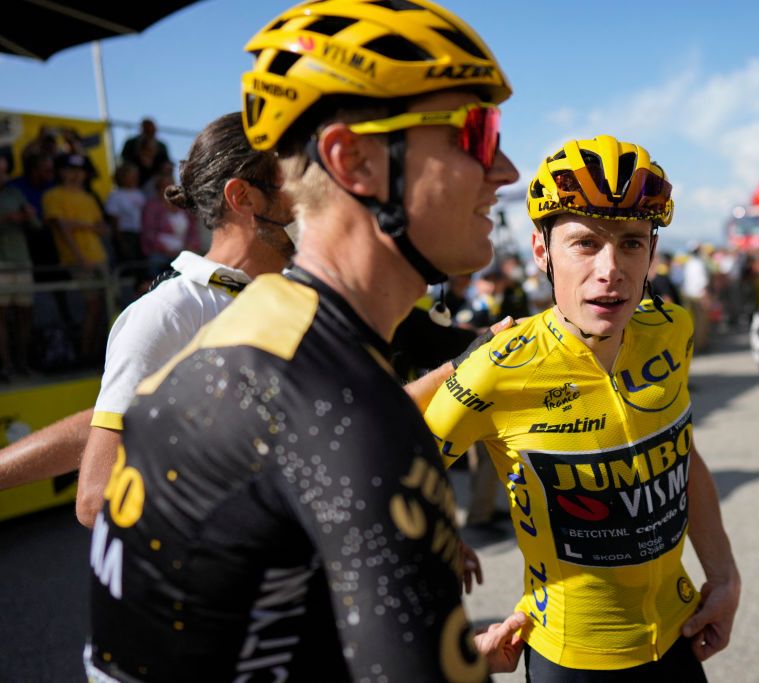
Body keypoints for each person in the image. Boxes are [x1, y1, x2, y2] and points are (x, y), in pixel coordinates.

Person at [85, 2, 524, 680]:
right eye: (477, 131)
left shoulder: (266, 327)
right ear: (355, 162)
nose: (507, 169)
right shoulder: (344, 406)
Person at [421, 135, 741, 680]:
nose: (611, 268)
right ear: (542, 251)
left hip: (677, 634)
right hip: (569, 658)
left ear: (653, 253)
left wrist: (725, 577)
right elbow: (377, 497)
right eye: (586, 244)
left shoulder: (672, 330)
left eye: (632, 243)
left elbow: (683, 458)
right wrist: (452, 649)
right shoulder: (496, 369)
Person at [0, 113, 294, 511]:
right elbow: (97, 496)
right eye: (303, 179)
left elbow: (124, 417)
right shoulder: (172, 311)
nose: (325, 197)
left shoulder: (292, 291)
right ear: (243, 197)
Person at [43, 152, 109, 362]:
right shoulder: (53, 195)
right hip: (76, 261)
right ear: (61, 172)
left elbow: (101, 228)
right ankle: (84, 354)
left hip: (99, 257)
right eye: (70, 171)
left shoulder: (89, 197)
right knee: (89, 308)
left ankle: (96, 353)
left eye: (79, 171)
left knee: (102, 308)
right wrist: (80, 256)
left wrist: (79, 225)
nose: (75, 175)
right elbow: (61, 228)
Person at [0, 154, 41, 379]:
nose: (2, 176)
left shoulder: (15, 193)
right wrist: (6, 219)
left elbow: (36, 225)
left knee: (25, 316)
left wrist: (28, 216)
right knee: (2, 319)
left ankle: (23, 364)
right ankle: (6, 367)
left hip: (22, 261)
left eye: (4, 171)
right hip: (1, 265)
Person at [120, 118, 171, 187]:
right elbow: (124, 160)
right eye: (147, 130)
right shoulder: (130, 143)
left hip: (155, 177)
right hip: (137, 176)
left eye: (152, 130)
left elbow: (166, 162)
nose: (150, 133)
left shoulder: (161, 146)